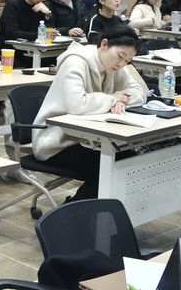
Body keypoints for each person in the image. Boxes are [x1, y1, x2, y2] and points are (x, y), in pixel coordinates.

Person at [32, 27, 144, 201]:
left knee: (129, 160)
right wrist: (112, 99)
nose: (121, 64)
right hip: (56, 142)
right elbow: (77, 104)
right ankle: (72, 213)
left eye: (128, 61)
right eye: (120, 56)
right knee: (109, 167)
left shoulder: (116, 68)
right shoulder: (75, 61)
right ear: (104, 44)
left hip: (89, 139)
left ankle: (87, 210)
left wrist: (122, 100)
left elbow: (139, 93)